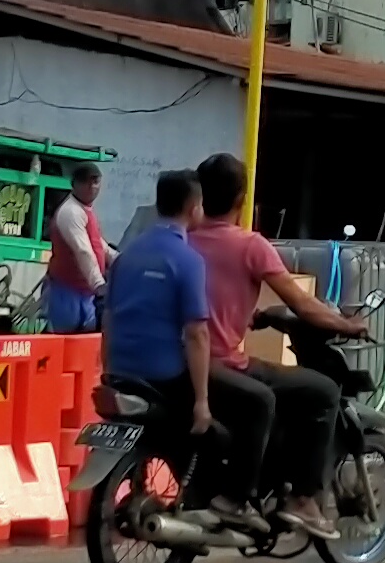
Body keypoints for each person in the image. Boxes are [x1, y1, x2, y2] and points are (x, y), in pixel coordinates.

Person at [188, 154, 369, 536]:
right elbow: (303, 304)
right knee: (320, 390)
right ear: (241, 198)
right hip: (222, 363)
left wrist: (256, 315)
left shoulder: (183, 240)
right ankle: (303, 500)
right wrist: (347, 325)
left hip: (184, 361)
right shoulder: (251, 245)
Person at [100, 169, 271, 513]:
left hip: (122, 372)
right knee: (260, 401)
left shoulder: (127, 255)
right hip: (165, 374)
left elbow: (108, 318)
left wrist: (109, 372)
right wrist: (202, 402)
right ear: (195, 207)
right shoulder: (188, 260)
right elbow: (196, 333)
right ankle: (236, 500)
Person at [40, 163, 110, 334]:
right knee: (61, 343)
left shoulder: (86, 211)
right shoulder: (70, 212)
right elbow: (83, 250)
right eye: (87, 182)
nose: (92, 187)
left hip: (85, 294)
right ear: (75, 185)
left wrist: (123, 261)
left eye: (96, 181)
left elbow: (101, 246)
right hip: (65, 291)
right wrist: (99, 284)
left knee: (84, 346)